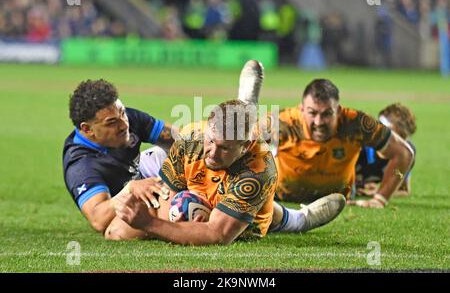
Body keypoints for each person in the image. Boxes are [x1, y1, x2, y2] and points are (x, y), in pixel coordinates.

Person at [110, 99, 346, 244]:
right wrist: (175, 213)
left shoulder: (259, 170)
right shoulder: (192, 137)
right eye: (211, 141)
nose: (212, 153)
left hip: (246, 220)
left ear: (245, 147)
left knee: (266, 215)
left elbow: (218, 234)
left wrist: (151, 225)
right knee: (117, 232)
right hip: (202, 189)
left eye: (224, 148)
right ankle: (246, 103)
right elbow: (164, 194)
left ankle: (302, 219)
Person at [266, 79, 415, 209]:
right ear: (302, 109)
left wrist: (380, 199)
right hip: (283, 199)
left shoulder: (357, 123)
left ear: (338, 111)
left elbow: (404, 154)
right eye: (312, 113)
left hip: (339, 202)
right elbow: (244, 144)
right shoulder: (280, 122)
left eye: (327, 114)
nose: (319, 122)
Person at [62, 79, 176, 234]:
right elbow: (99, 220)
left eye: (122, 112)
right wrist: (130, 189)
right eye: (112, 122)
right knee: (117, 232)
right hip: (127, 203)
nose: (124, 124)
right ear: (88, 129)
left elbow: (178, 137)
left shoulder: (126, 118)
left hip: (145, 172)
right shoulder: (81, 165)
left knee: (188, 148)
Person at [355, 103, 417, 197]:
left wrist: (379, 191)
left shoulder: (404, 155)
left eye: (403, 139)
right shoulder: (360, 145)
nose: (399, 144)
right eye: (396, 137)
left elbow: (403, 189)